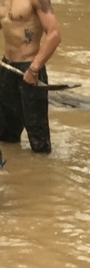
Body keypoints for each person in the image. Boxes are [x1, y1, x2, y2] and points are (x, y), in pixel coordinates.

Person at [0, 0, 61, 154]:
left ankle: (42, 173)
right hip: (6, 68)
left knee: (38, 138)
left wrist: (34, 69)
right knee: (6, 134)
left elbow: (54, 34)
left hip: (30, 68)